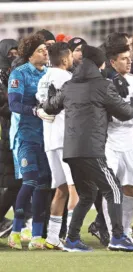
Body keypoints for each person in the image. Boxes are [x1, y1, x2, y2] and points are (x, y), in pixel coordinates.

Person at [43, 45, 133, 252]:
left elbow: (49, 107)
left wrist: (50, 97)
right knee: (114, 189)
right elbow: (124, 113)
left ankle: (71, 239)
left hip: (70, 151)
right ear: (101, 65)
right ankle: (117, 237)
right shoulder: (103, 85)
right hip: (91, 149)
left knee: (87, 194)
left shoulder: (69, 85)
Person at [7, 34, 53, 250]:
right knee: (30, 181)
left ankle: (36, 237)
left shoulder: (50, 74)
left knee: (43, 186)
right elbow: (14, 104)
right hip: (25, 135)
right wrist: (36, 110)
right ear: (30, 54)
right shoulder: (19, 74)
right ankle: (15, 232)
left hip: (46, 136)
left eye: (46, 49)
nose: (45, 52)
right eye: (41, 50)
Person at [103, 41, 133, 244]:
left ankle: (126, 229)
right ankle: (114, 231)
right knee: (110, 188)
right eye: (123, 59)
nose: (129, 62)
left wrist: (130, 114)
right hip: (109, 141)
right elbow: (116, 115)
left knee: (130, 187)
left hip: (130, 141)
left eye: (130, 58)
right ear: (112, 62)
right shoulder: (106, 82)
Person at [35, 42, 75, 250]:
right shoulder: (66, 78)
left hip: (50, 139)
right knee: (74, 186)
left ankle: (52, 236)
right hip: (66, 138)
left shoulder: (43, 79)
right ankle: (72, 236)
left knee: (60, 188)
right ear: (65, 58)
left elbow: (41, 106)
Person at [0, 38, 19, 237]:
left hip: (10, 137)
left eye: (16, 51)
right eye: (10, 52)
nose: (13, 54)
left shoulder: (12, 74)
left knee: (14, 183)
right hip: (4, 137)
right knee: (11, 183)